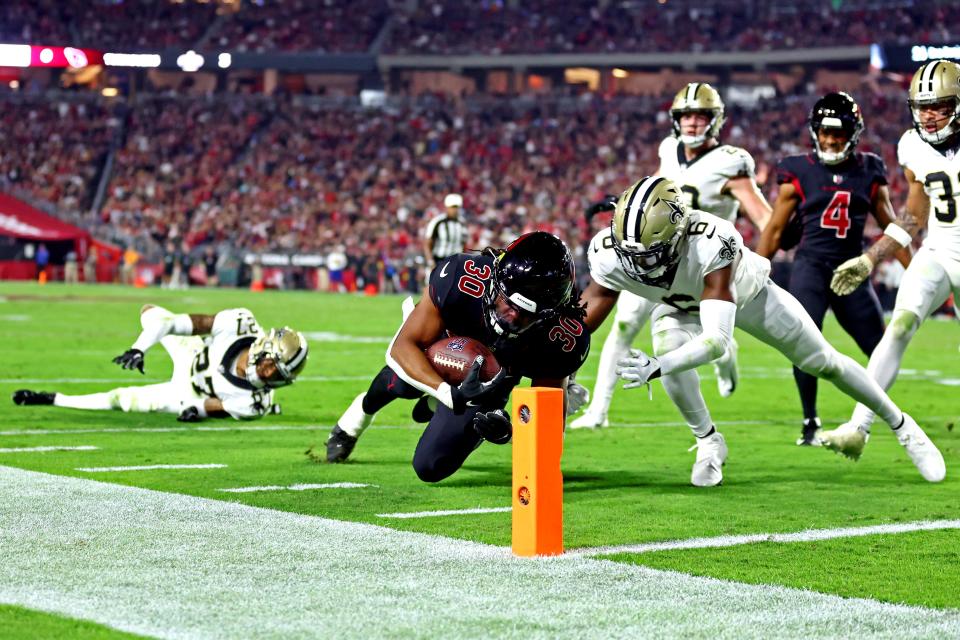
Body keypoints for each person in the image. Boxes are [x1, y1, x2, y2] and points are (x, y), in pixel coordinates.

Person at [580, 176, 945, 486]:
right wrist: (562, 370)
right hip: (676, 305)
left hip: (749, 295)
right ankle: (709, 441)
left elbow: (716, 341)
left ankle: (902, 426)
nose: (639, 263)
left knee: (824, 362)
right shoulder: (609, 250)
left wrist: (657, 365)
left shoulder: (710, 240)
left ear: (677, 234)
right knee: (670, 355)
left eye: (650, 252)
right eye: (633, 253)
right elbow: (583, 316)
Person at [572, 82, 771, 429]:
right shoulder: (669, 148)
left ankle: (726, 356)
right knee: (622, 325)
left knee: (714, 337)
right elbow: (662, 191)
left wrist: (764, 246)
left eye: (700, 116)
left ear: (715, 119)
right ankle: (598, 411)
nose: (692, 123)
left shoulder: (731, 161)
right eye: (686, 116)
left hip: (701, 263)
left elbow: (764, 216)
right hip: (651, 255)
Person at [323, 231, 590, 483]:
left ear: (551, 313)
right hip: (444, 347)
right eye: (508, 303)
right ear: (496, 280)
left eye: (527, 314)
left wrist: (511, 434)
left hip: (492, 380)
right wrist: (447, 393)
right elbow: (403, 347)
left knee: (430, 466)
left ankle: (433, 407)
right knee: (402, 382)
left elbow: (549, 434)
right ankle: (353, 422)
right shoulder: (462, 276)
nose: (512, 317)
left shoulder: (561, 338)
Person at [823, 60, 960, 458]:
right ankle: (857, 428)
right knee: (898, 326)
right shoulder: (912, 145)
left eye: (939, 106)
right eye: (922, 106)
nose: (929, 116)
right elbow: (914, 214)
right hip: (938, 250)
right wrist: (870, 258)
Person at [757, 92, 911, 446]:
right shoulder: (798, 169)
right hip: (810, 266)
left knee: (881, 347)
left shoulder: (869, 169)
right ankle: (810, 420)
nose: (829, 139)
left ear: (853, 133)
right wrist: (754, 270)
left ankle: (870, 416)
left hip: (852, 269)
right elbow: (776, 229)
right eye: (824, 132)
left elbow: (893, 226)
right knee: (802, 341)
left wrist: (914, 270)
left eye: (837, 133)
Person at [12, 306, 308, 422]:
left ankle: (53, 399)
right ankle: (142, 344)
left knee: (121, 399)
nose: (268, 374)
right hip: (191, 353)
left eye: (277, 376)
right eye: (272, 364)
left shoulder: (255, 404)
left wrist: (196, 412)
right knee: (150, 315)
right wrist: (139, 348)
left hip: (190, 391)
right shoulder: (239, 324)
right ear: (263, 346)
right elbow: (174, 323)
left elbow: (215, 406)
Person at [422, 193, 469, 275]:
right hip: (439, 261)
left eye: (456, 207)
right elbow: (427, 243)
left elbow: (464, 245)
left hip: (455, 262)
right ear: (447, 207)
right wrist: (430, 261)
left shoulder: (462, 224)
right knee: (432, 286)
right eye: (452, 207)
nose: (454, 210)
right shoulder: (437, 222)